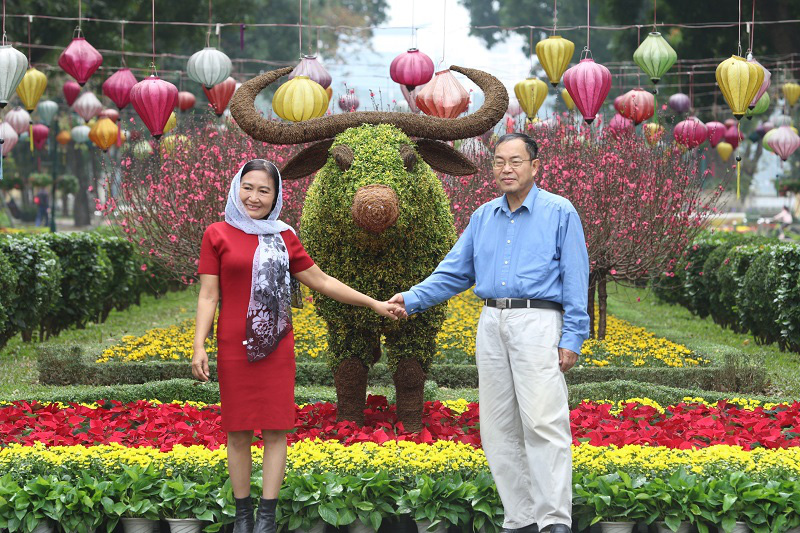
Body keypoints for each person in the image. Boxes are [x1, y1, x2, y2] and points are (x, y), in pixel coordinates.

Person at [389, 133, 589, 533]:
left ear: (535, 166)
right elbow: (455, 272)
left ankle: (554, 521)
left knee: (543, 423)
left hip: (538, 321)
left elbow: (575, 277)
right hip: (492, 322)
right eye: (499, 161)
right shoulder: (483, 216)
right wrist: (410, 300)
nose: (506, 168)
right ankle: (521, 519)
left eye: (516, 161)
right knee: (497, 426)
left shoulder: (559, 212)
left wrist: (572, 337)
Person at [192, 159, 400, 533]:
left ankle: (265, 520)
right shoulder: (216, 233)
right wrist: (199, 345)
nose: (254, 197)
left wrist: (373, 303)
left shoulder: (283, 236)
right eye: (248, 187)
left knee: (275, 431)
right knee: (237, 432)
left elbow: (321, 281)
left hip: (275, 346)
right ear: (237, 188)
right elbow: (209, 296)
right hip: (233, 347)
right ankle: (243, 518)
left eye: (264, 190)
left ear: (276, 197)